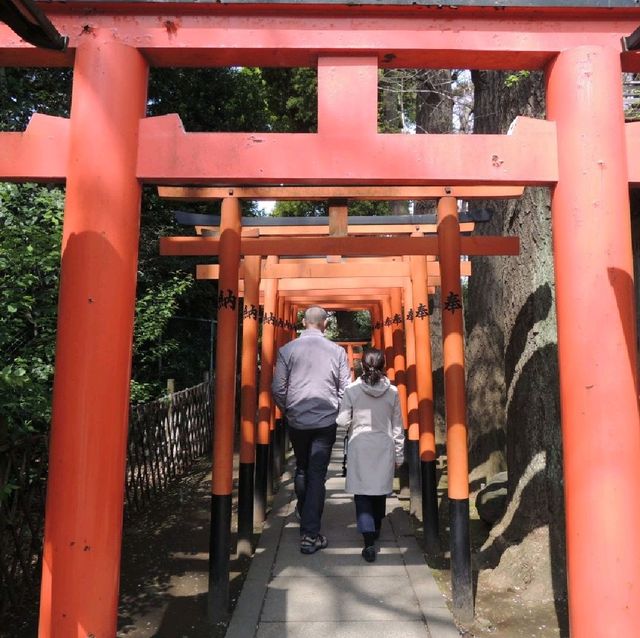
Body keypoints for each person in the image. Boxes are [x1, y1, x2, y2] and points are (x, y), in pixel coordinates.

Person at [272, 306, 351, 554]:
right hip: (325, 420)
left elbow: (278, 387)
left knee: (303, 468)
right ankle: (310, 534)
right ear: (325, 324)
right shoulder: (337, 352)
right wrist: (337, 412)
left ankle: (306, 514)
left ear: (304, 322)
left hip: (297, 420)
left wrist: (289, 410)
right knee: (317, 473)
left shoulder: (287, 350)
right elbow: (345, 388)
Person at [336, 347, 404, 563]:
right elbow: (397, 426)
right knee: (378, 491)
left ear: (362, 365)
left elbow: (343, 421)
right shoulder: (393, 392)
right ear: (384, 365)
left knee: (362, 493)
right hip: (384, 444)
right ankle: (376, 526)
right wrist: (399, 455)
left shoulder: (352, 390)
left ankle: (368, 540)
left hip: (360, 444)